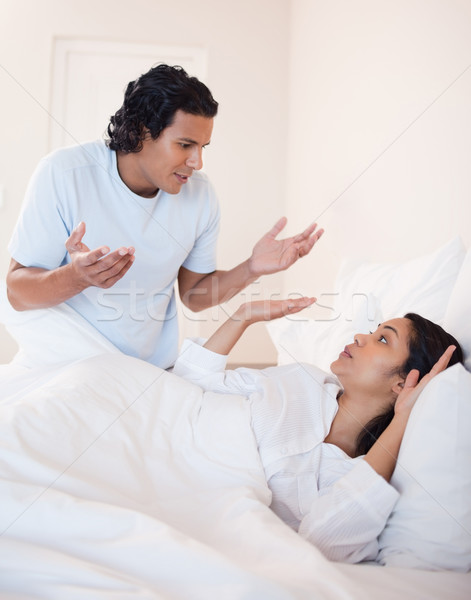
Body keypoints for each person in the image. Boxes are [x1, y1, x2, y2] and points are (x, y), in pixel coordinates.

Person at [5, 64, 323, 368]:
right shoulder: (64, 173)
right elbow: (17, 293)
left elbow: (194, 296)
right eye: (185, 145)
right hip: (64, 364)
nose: (197, 161)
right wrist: (76, 278)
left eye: (203, 146)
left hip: (148, 373)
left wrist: (252, 269)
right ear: (141, 132)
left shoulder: (201, 195)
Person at [173, 297, 463, 563]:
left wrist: (403, 419)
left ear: (402, 385)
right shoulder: (302, 378)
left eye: (383, 339)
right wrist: (244, 316)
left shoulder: (358, 474)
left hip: (199, 526)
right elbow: (189, 383)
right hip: (172, 458)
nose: (360, 336)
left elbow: (320, 544)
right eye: (374, 331)